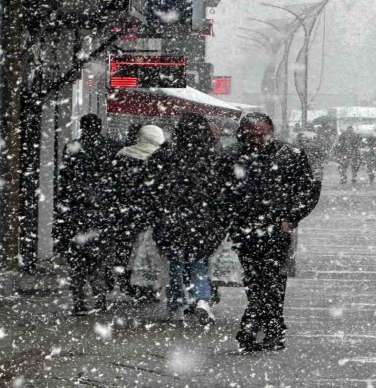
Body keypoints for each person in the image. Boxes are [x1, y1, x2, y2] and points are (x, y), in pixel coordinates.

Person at [224, 113, 321, 352]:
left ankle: (255, 325)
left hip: (277, 227)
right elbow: (223, 191)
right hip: (245, 228)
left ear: (272, 132)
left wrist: (292, 217)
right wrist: (229, 218)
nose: (256, 139)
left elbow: (308, 189)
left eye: (261, 134)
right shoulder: (233, 156)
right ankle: (271, 327)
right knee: (255, 279)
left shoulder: (290, 155)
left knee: (272, 278)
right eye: (251, 135)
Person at [153, 114, 224, 323]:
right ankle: (202, 298)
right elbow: (222, 192)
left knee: (174, 263)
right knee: (199, 262)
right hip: (204, 220)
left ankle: (176, 302)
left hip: (171, 219)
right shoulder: (215, 158)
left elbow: (152, 189)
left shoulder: (164, 156)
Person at [55, 114, 119, 315]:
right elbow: (117, 179)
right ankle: (100, 298)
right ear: (99, 127)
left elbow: (64, 180)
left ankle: (80, 301)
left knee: (77, 256)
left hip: (77, 209)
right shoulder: (112, 147)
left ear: (82, 127)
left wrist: (62, 209)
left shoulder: (72, 147)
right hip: (103, 210)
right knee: (100, 255)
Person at [104, 124, 167, 305]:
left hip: (125, 211)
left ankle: (126, 282)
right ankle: (147, 285)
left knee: (125, 248)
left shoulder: (123, 154)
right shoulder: (160, 158)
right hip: (149, 211)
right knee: (147, 251)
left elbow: (112, 184)